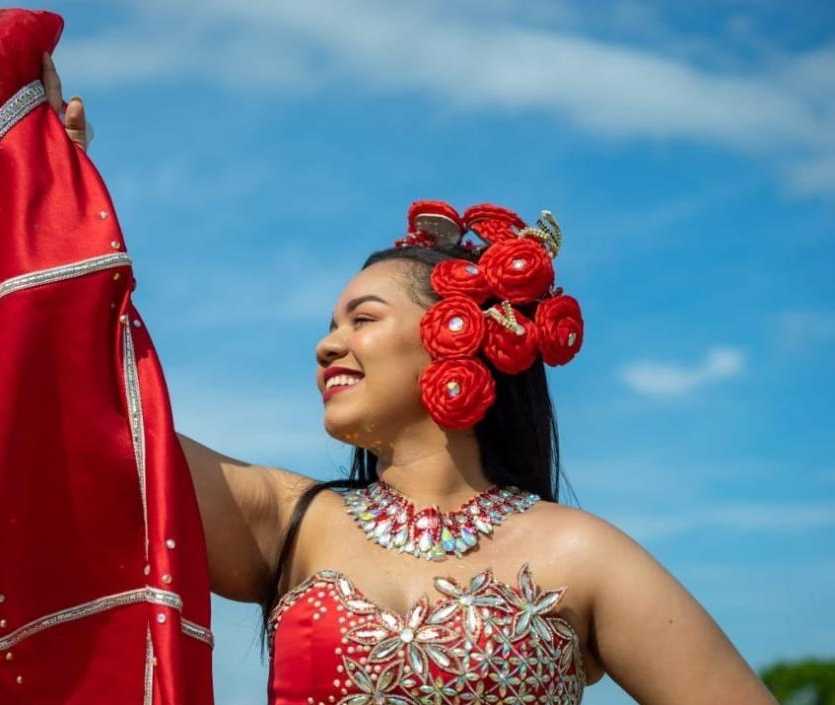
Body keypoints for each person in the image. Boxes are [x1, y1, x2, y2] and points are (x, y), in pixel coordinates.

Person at [46, 49, 778, 705]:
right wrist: (51, 211)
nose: (326, 346)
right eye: (331, 326)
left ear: (456, 336)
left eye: (360, 319)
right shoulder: (289, 521)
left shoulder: (580, 554)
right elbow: (98, 422)